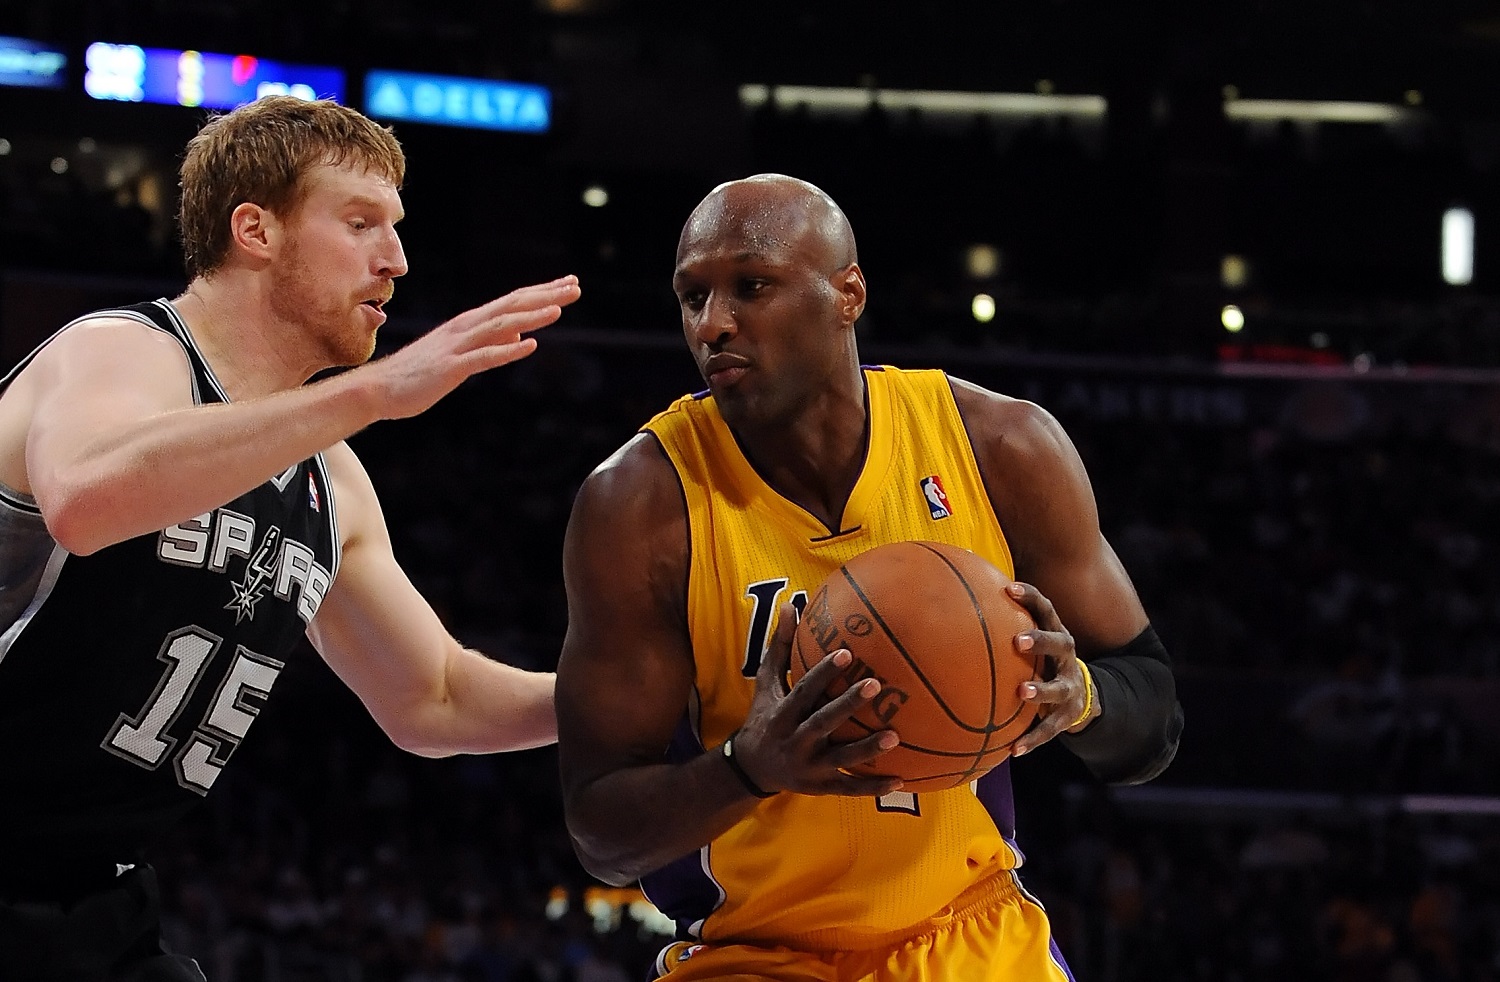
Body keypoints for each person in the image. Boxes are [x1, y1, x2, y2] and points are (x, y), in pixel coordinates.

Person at [0, 96, 580, 979]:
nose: (396, 261)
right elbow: (85, 498)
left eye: (396, 228)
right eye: (360, 223)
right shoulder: (124, 351)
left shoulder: (332, 478)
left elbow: (437, 697)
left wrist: (632, 700)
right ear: (255, 230)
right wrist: (375, 393)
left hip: (89, 901)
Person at [555, 174, 1183, 981]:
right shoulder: (640, 507)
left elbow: (1154, 717)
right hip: (753, 955)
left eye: (751, 286)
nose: (712, 324)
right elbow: (600, 833)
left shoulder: (1001, 448)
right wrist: (748, 769)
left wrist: (1079, 698)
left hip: (971, 935)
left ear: (847, 292)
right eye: (691, 296)